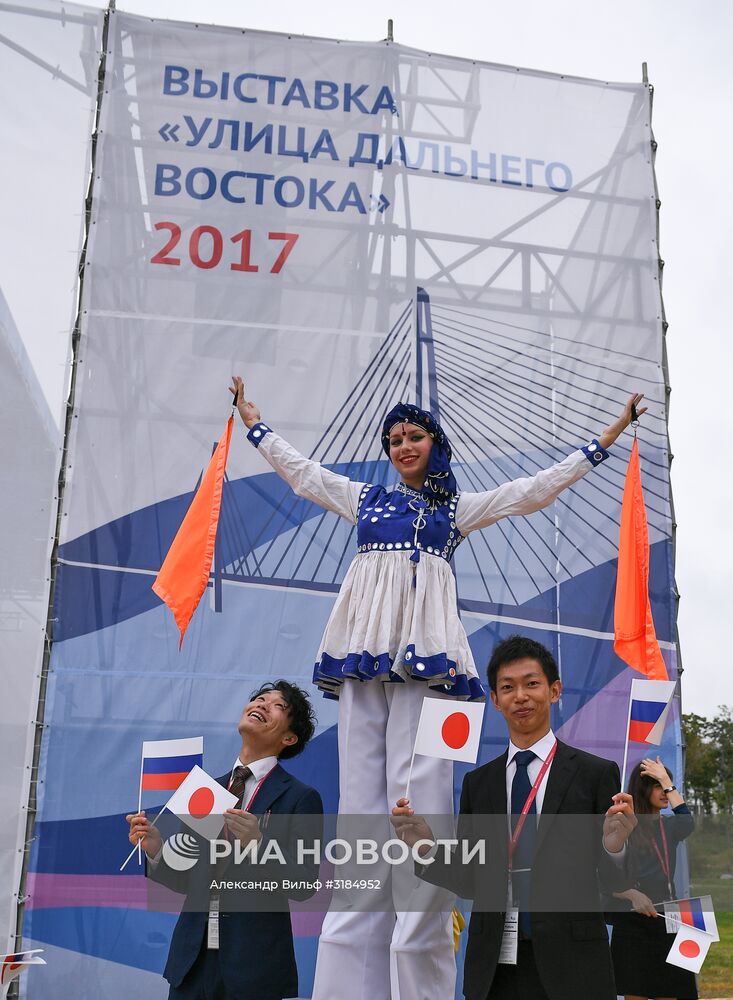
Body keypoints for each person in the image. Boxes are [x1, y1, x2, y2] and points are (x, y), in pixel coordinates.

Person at [231, 375, 645, 1000]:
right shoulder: (365, 498)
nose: (402, 446)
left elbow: (531, 492)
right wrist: (255, 424)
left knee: (416, 798)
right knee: (362, 810)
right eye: (393, 438)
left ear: (434, 443)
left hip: (429, 662)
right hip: (365, 655)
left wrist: (606, 438)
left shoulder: (454, 510)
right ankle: (349, 982)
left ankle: (419, 974)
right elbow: (305, 475)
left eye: (413, 436)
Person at [393, 635, 638, 1000]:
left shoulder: (595, 774)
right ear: (494, 700)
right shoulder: (480, 783)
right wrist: (426, 847)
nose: (520, 696)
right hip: (496, 968)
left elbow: (615, 881)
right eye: (508, 687)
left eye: (532, 684)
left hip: (574, 964)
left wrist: (614, 846)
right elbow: (470, 880)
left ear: (554, 691)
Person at [126, 680, 323, 1000]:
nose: (260, 704)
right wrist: (157, 849)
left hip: (253, 968)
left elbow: (303, 884)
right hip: (192, 962)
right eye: (258, 699)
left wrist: (258, 843)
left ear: (289, 737)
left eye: (277, 705)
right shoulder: (205, 790)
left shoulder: (301, 798)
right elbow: (185, 878)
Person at [610, 757, 697, 1000]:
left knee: (672, 992)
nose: (665, 792)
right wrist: (630, 894)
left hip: (670, 919)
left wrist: (666, 780)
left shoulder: (669, 826)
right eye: (657, 785)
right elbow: (602, 878)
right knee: (635, 993)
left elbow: (687, 822)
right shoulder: (622, 825)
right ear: (643, 789)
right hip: (633, 925)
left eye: (666, 785)